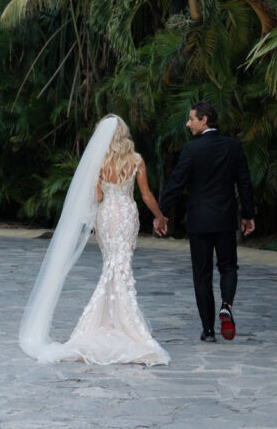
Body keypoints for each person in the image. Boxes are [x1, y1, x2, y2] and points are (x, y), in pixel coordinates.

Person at [19, 114, 170, 366]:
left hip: (106, 215)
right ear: (124, 134)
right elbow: (146, 194)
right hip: (125, 214)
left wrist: (104, 187)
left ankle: (110, 320)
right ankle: (124, 322)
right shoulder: (136, 160)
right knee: (120, 266)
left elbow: (97, 195)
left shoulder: (98, 161)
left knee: (111, 265)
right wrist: (160, 217)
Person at [154, 101, 255, 342]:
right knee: (228, 267)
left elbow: (175, 184)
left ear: (204, 119)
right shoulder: (233, 147)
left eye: (191, 119)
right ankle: (226, 306)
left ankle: (208, 330)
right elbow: (244, 183)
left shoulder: (191, 150)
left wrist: (161, 214)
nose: (188, 124)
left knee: (202, 274)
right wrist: (249, 215)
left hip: (199, 221)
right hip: (225, 219)